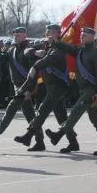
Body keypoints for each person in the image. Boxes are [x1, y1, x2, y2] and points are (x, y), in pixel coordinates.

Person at [45, 27, 97, 156]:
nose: (81, 37)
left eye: (84, 35)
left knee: (75, 111)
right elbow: (67, 48)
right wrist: (55, 41)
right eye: (81, 35)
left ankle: (59, 134)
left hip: (91, 91)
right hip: (83, 90)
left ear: (92, 38)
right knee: (96, 119)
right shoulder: (80, 51)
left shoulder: (96, 53)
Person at [13, 24, 79, 152]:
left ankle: (28, 135)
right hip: (50, 86)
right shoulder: (45, 46)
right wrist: (35, 51)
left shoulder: (58, 48)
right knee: (61, 117)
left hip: (58, 86)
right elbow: (27, 50)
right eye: (46, 32)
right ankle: (73, 142)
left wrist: (35, 66)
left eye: (50, 33)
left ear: (57, 34)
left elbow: (49, 59)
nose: (47, 35)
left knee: (42, 110)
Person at [0, 28, 45, 147]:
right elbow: (2, 57)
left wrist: (29, 89)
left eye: (18, 36)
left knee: (11, 108)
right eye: (14, 36)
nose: (15, 37)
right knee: (30, 114)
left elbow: (33, 72)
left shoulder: (28, 50)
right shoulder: (12, 50)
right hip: (17, 86)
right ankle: (39, 141)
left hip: (25, 87)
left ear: (25, 36)